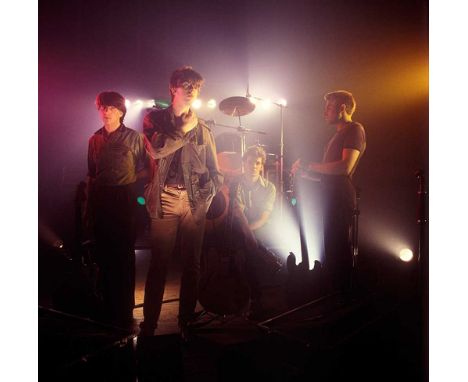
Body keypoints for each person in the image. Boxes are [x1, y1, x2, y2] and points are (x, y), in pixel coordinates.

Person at [139, 66, 223, 338]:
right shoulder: (155, 120)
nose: (191, 90)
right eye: (186, 84)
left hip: (194, 202)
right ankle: (149, 324)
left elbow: (215, 169)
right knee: (159, 262)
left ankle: (185, 321)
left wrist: (208, 194)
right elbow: (155, 149)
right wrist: (184, 129)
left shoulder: (205, 127)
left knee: (192, 264)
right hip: (164, 200)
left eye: (195, 86)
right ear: (173, 88)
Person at [291, 90, 366, 293]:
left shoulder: (354, 129)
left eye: (329, 107)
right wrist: (304, 174)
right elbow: (329, 175)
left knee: (338, 248)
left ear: (342, 108)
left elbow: (344, 168)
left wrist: (309, 165)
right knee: (331, 249)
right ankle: (334, 295)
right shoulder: (337, 135)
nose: (324, 112)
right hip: (331, 196)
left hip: (340, 198)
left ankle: (342, 298)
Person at [86, 91, 149, 327]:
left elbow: (147, 168)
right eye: (102, 107)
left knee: (123, 255)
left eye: (110, 107)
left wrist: (132, 184)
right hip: (102, 199)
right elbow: (91, 175)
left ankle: (124, 308)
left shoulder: (135, 138)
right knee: (104, 255)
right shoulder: (94, 140)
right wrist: (88, 210)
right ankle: (107, 306)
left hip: (124, 198)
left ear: (121, 112)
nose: (105, 111)